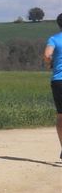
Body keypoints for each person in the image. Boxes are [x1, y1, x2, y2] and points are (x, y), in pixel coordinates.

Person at [44, 12, 62, 160]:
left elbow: (47, 55)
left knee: (61, 115)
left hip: (58, 80)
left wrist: (49, 63)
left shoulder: (54, 39)